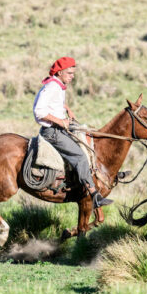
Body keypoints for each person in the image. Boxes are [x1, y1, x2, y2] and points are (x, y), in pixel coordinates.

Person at [32, 56, 112, 208]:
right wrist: (61, 121)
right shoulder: (52, 87)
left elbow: (55, 103)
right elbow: (39, 111)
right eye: (69, 73)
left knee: (88, 140)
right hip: (53, 132)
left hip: (60, 128)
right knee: (80, 156)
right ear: (60, 72)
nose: (72, 76)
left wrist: (66, 109)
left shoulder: (58, 85)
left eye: (73, 73)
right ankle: (94, 194)